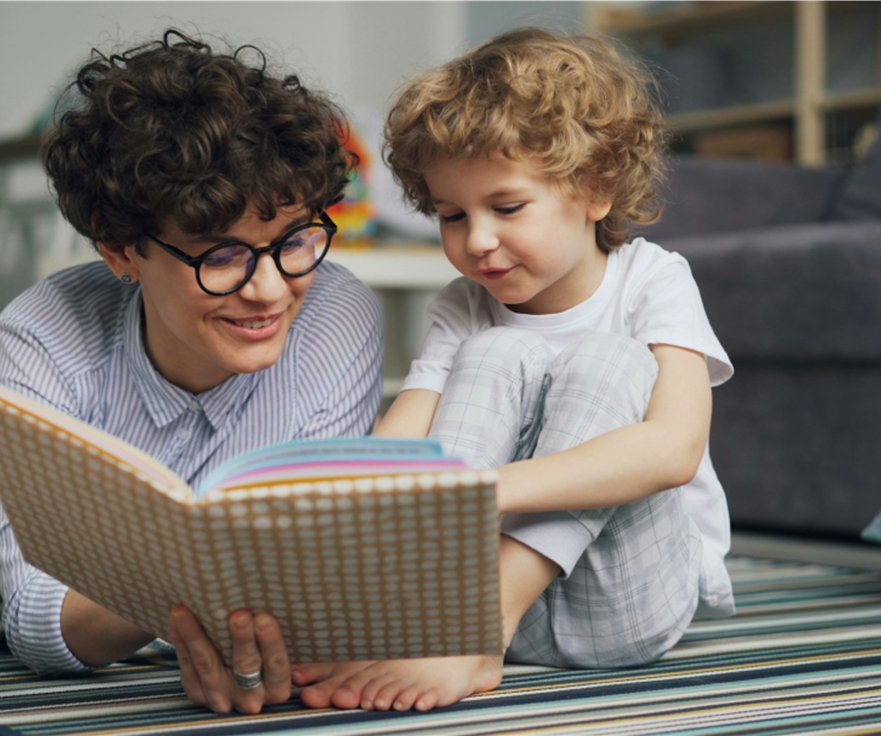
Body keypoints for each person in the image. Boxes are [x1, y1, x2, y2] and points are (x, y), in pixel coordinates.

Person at [295, 28, 736, 712]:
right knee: (496, 351)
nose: (476, 241)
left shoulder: (653, 280)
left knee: (609, 359)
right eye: (450, 215)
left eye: (505, 208)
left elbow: (674, 452)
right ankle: (452, 627)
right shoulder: (465, 306)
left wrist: (479, 488)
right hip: (477, 599)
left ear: (597, 187)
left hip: (626, 599)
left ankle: (478, 631)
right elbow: (402, 449)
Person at [0, 30, 384, 715]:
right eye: (221, 256)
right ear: (120, 248)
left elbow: (317, 584)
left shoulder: (339, 312)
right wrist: (200, 588)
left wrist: (235, 628)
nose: (269, 291)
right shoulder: (44, 332)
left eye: (293, 241)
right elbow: (34, 619)